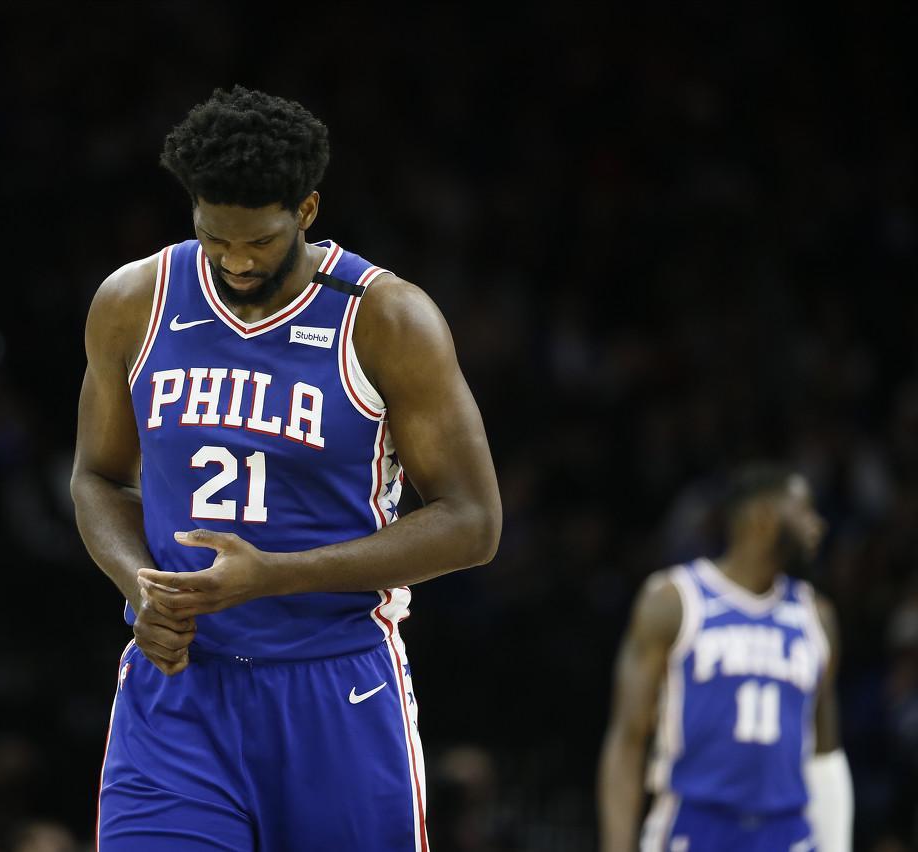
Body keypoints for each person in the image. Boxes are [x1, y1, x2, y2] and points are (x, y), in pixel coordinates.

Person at [70, 85, 501, 850]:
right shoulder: (135, 301)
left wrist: (274, 575)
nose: (236, 261)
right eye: (214, 237)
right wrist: (138, 582)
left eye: (260, 241)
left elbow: (473, 523)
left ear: (306, 210)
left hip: (333, 688)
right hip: (179, 689)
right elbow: (99, 478)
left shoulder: (385, 318)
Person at [598, 464, 854, 852]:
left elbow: (825, 755)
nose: (817, 525)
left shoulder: (816, 616)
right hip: (697, 823)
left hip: (787, 831)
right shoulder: (675, 600)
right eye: (804, 510)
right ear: (763, 517)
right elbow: (628, 740)